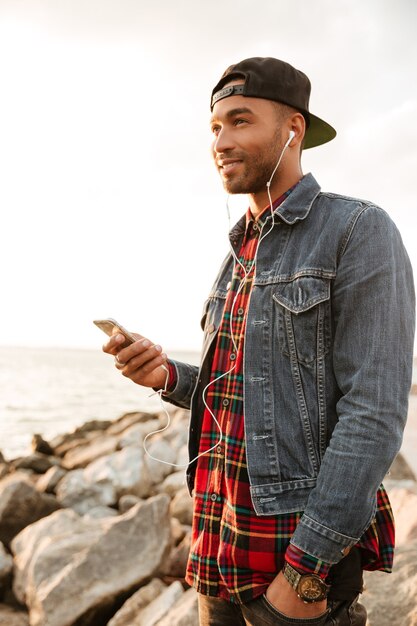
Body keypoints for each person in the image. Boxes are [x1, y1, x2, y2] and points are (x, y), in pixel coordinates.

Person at [103, 57, 415, 625]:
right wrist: (167, 376)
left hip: (293, 571)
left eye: (240, 121)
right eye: (216, 127)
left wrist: (305, 570)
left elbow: (375, 412)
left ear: (292, 129)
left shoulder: (358, 230)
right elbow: (252, 393)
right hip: (217, 556)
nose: (221, 140)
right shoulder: (236, 256)